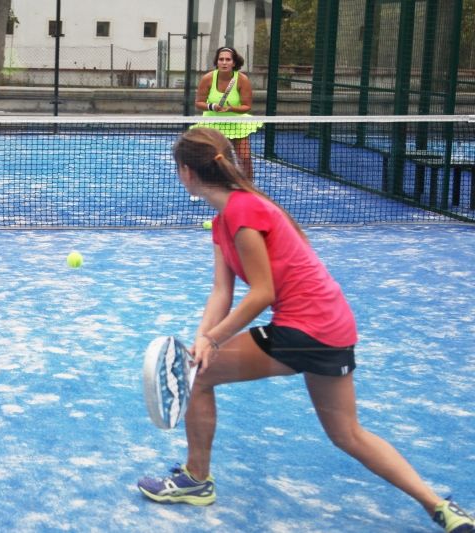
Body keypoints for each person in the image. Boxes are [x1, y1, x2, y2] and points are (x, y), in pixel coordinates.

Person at [136, 127, 475, 533]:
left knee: (200, 376)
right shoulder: (226, 218)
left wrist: (212, 341)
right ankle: (440, 508)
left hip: (305, 327)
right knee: (347, 434)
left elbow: (262, 293)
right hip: (334, 326)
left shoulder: (243, 211)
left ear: (187, 172)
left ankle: (196, 479)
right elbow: (221, 291)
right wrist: (202, 336)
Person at [193, 46, 260, 181]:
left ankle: (248, 187)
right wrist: (212, 106)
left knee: (245, 158)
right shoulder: (207, 78)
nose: (224, 62)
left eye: (228, 60)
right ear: (217, 62)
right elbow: (199, 103)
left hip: (236, 124)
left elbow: (247, 106)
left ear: (234, 63)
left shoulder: (242, 80)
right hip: (213, 125)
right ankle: (209, 185)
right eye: (221, 59)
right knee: (213, 159)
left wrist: (231, 108)